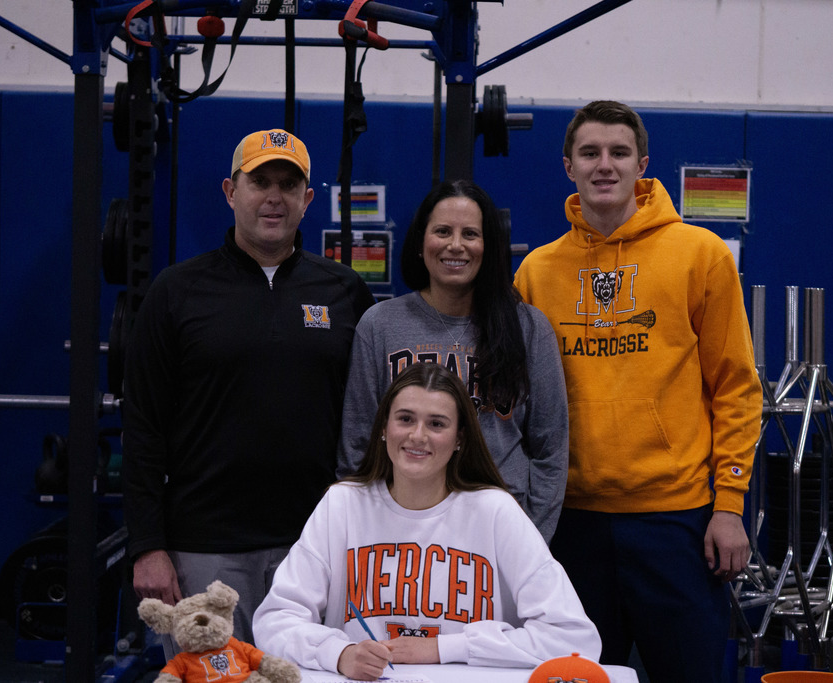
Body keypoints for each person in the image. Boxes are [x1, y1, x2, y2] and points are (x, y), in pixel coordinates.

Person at [514, 101, 763, 683]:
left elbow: (736, 388)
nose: (605, 165)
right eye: (590, 153)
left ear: (642, 164)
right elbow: (517, 404)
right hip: (569, 524)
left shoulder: (699, 254)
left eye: (619, 153)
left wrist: (729, 506)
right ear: (568, 167)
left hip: (675, 521)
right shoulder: (536, 272)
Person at [122, 128, 375, 655]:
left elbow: (366, 422)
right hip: (203, 550)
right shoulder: (176, 292)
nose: (274, 197)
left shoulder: (345, 291)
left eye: (289, 184)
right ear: (229, 191)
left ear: (308, 199)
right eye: (259, 181)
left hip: (314, 548)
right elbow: (142, 425)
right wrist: (148, 546)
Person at [253, 362, 601, 680]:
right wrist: (339, 652)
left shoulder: (496, 511)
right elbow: (274, 621)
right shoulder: (342, 505)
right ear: (384, 429)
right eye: (405, 419)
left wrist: (444, 649)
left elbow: (573, 637)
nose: (418, 436)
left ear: (459, 438)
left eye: (436, 424)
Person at [337, 180, 568, 542]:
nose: (455, 245)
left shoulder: (528, 327)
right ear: (419, 242)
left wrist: (531, 542)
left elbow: (551, 451)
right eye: (442, 231)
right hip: (401, 529)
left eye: (470, 234)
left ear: (488, 247)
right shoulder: (380, 325)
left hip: (501, 531)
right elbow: (357, 448)